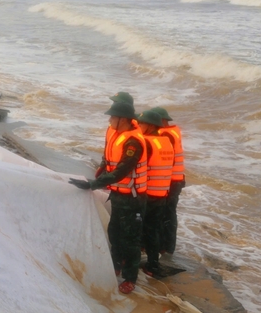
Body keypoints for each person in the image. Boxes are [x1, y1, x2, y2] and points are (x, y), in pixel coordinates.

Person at [69, 101, 147, 294]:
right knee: (115, 233)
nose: (110, 119)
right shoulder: (118, 134)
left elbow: (121, 171)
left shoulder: (133, 143)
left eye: (113, 117)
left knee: (131, 240)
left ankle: (130, 277)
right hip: (119, 196)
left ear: (123, 119)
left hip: (133, 199)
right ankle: (116, 265)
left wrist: (92, 184)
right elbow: (110, 158)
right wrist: (102, 167)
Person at [136, 110, 174, 278]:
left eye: (142, 123)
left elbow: (138, 167)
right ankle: (153, 264)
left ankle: (135, 262)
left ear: (151, 125)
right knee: (154, 230)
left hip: (147, 193)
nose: (139, 126)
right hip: (161, 193)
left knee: (138, 228)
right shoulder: (165, 142)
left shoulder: (146, 143)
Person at [151, 106, 185, 255]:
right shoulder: (171, 133)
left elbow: (166, 162)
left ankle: (166, 248)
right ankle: (166, 247)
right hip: (175, 179)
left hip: (171, 181)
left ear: (162, 120)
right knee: (168, 214)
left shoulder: (166, 136)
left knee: (167, 215)